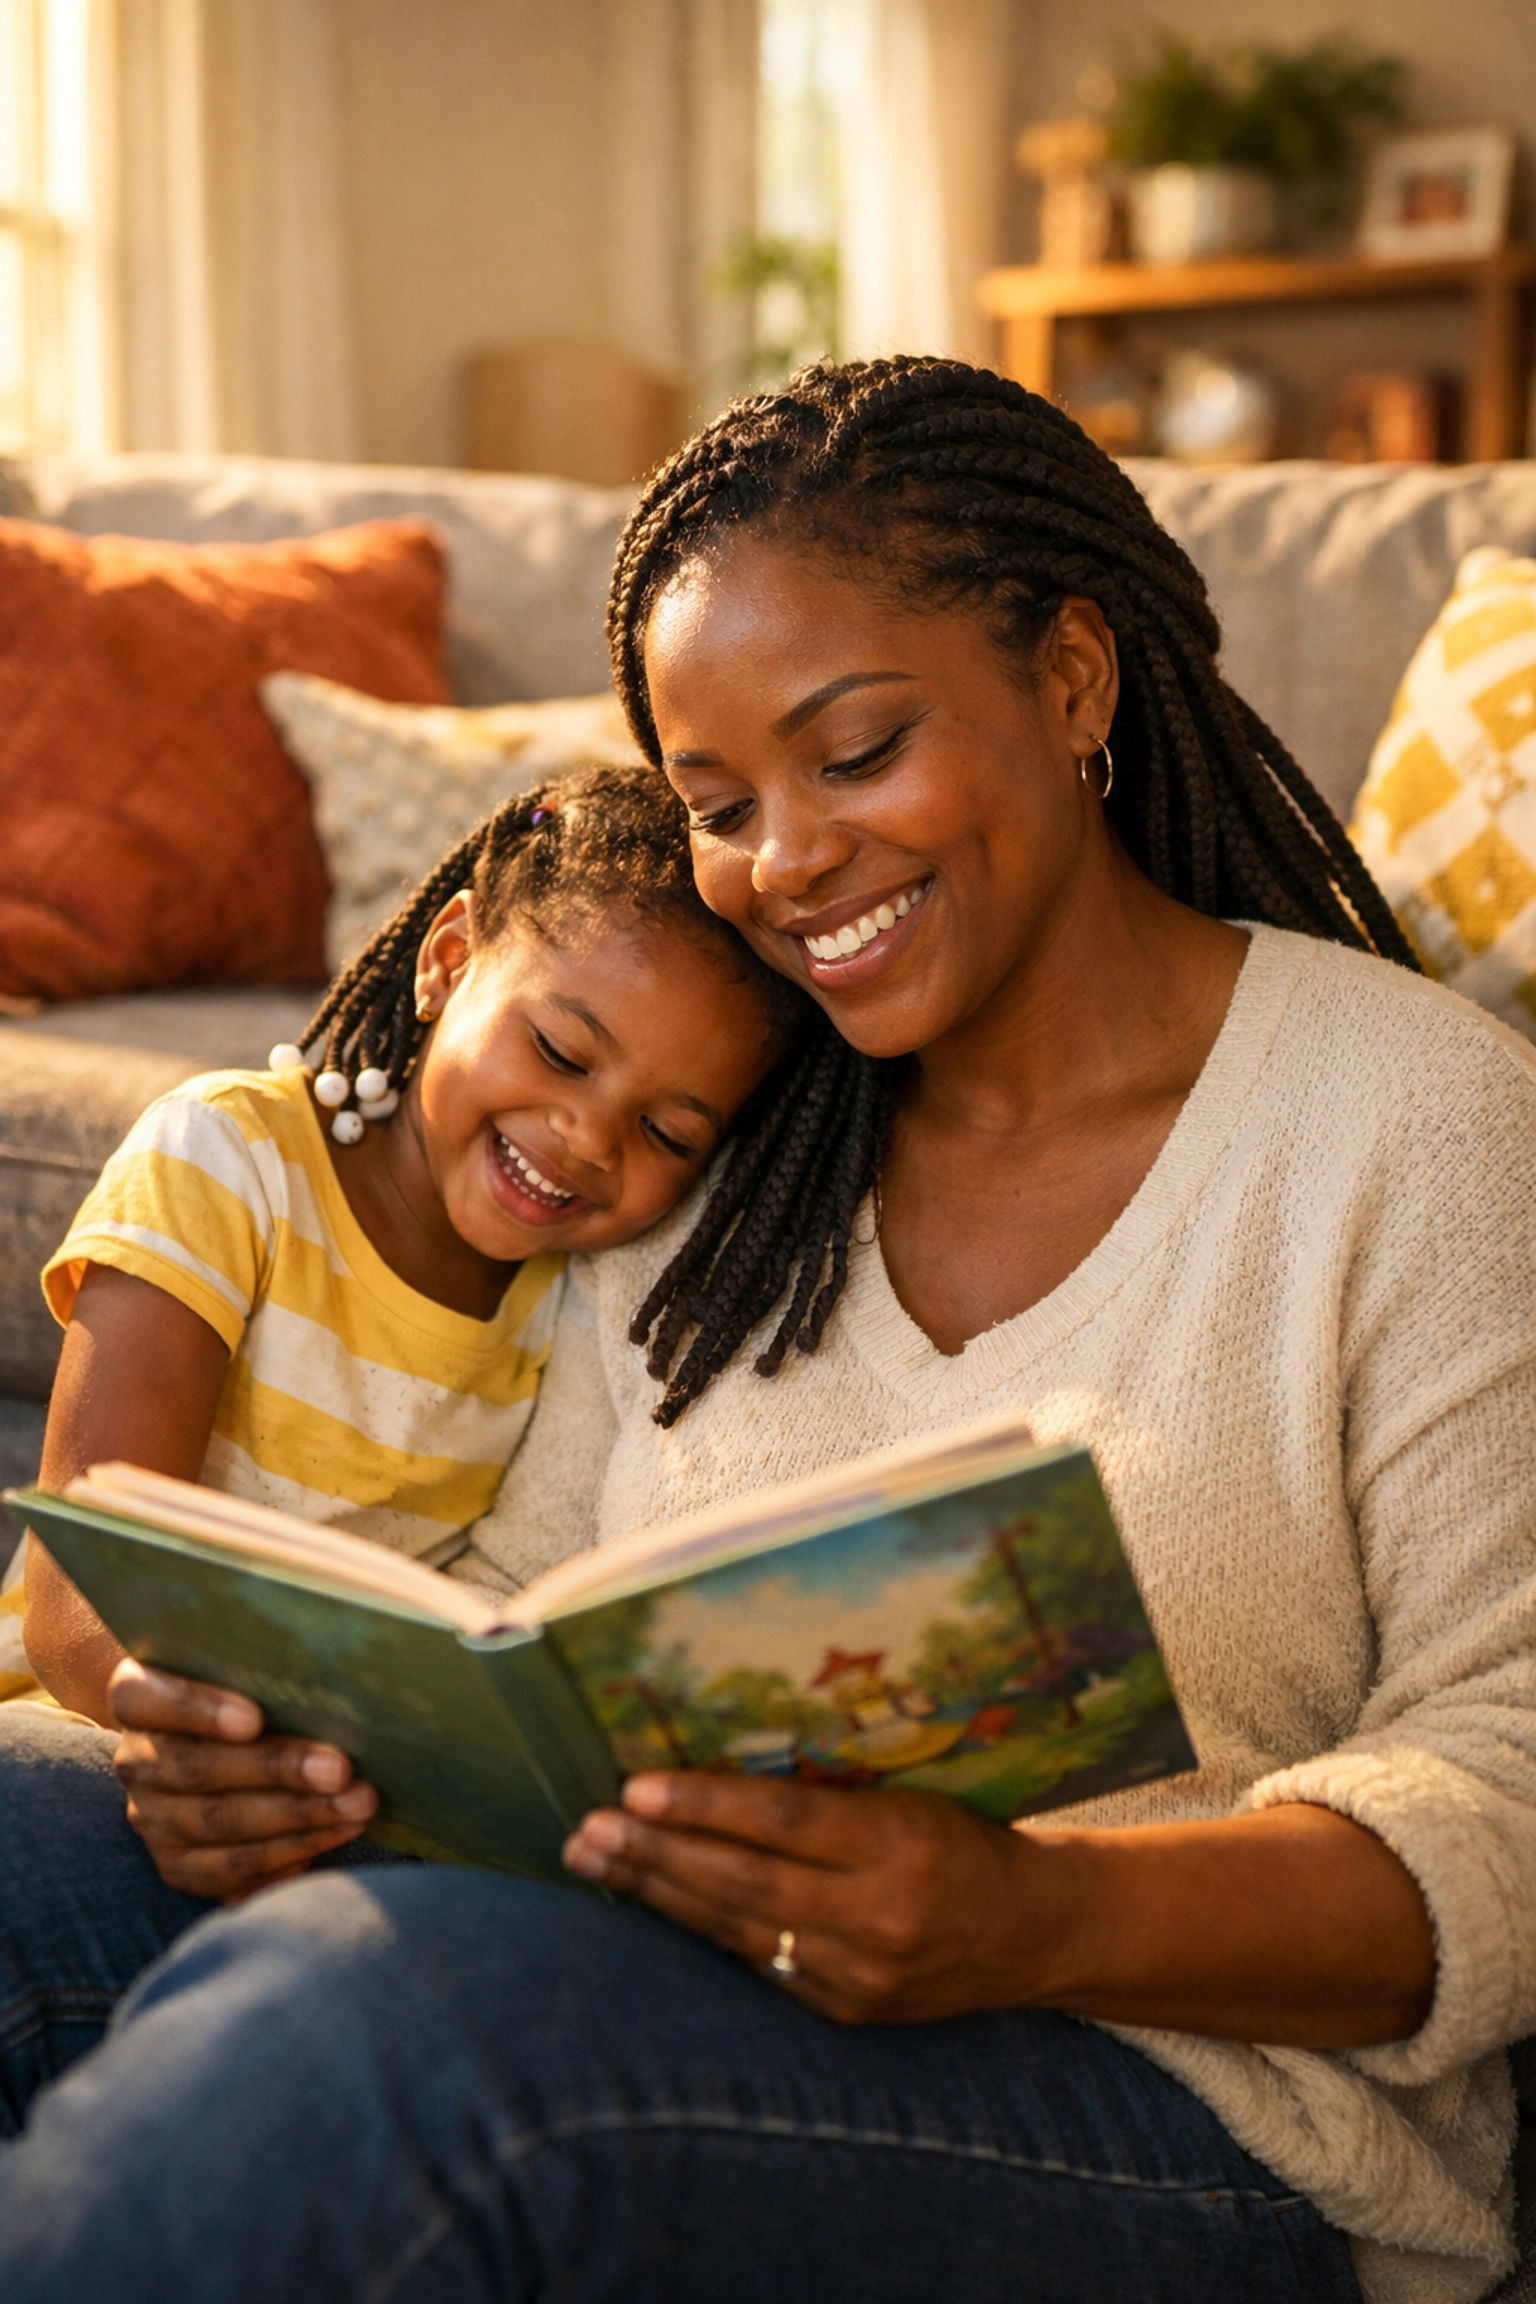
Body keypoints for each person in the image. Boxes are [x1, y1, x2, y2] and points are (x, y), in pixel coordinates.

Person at [1, 358, 1533, 2304]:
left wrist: (1032, 1918)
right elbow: (525, 1608)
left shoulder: (1419, 1122)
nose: (784, 864)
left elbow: (1516, 1789)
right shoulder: (728, 1154)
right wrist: (301, 1767)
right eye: (718, 803)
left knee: (377, 2038)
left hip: (1197, 2118)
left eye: (857, 751)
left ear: (1072, 681)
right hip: (643, 1970)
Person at [15, 763, 804, 1889]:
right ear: (447, 961)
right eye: (562, 1053)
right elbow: (78, 1593)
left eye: (668, 1133)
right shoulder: (228, 1159)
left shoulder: (577, 1291)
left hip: (343, 1808)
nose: (586, 1139)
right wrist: (223, 1754)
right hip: (106, 1739)